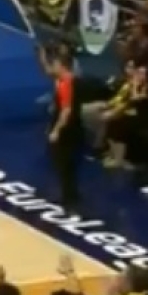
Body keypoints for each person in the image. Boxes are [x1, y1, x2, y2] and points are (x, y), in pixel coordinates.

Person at [48, 52, 84, 207]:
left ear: (62, 66)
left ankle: (69, 198)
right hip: (75, 126)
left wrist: (56, 130)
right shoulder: (73, 80)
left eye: (55, 64)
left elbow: (66, 110)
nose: (53, 67)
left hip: (66, 129)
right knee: (68, 164)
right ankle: (71, 194)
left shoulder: (66, 83)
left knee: (63, 163)